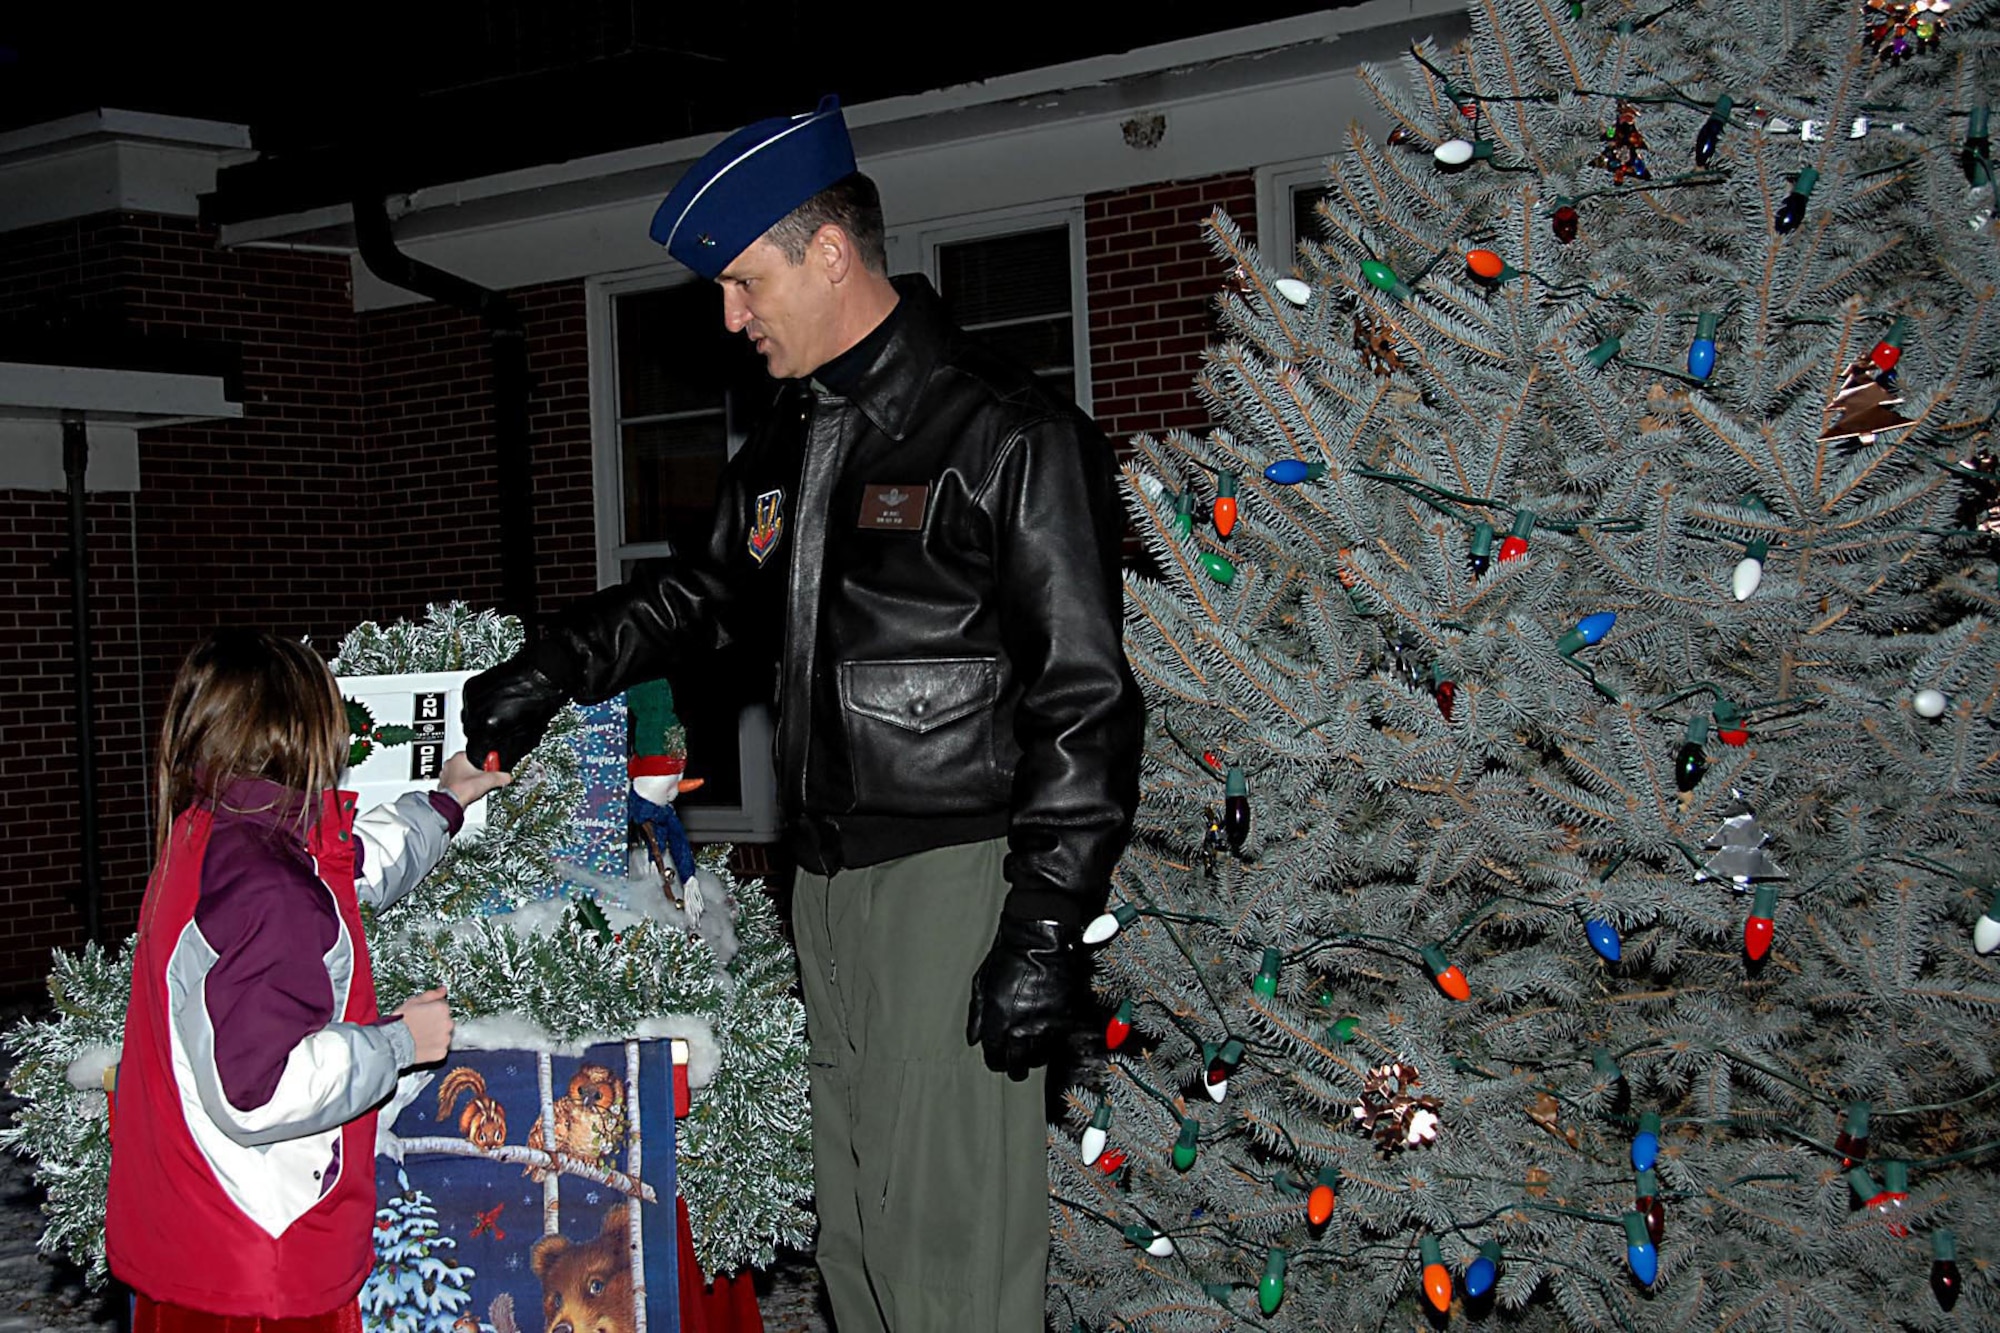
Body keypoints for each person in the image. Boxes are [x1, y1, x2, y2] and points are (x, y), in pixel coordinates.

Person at [463, 95, 1143, 1331]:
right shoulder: (797, 432)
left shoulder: (1003, 432)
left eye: (742, 282)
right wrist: (559, 661)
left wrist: (1043, 922)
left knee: (946, 1249)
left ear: (827, 253)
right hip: (823, 883)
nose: (729, 318)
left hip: (954, 877)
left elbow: (1082, 698)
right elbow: (706, 593)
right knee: (859, 1236)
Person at [105, 629, 510, 1331]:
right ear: (303, 730)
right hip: (260, 1272)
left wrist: (446, 802)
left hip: (203, 1245)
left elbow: (345, 869)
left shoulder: (221, 833)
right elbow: (260, 1091)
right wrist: (400, 1042)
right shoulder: (266, 881)